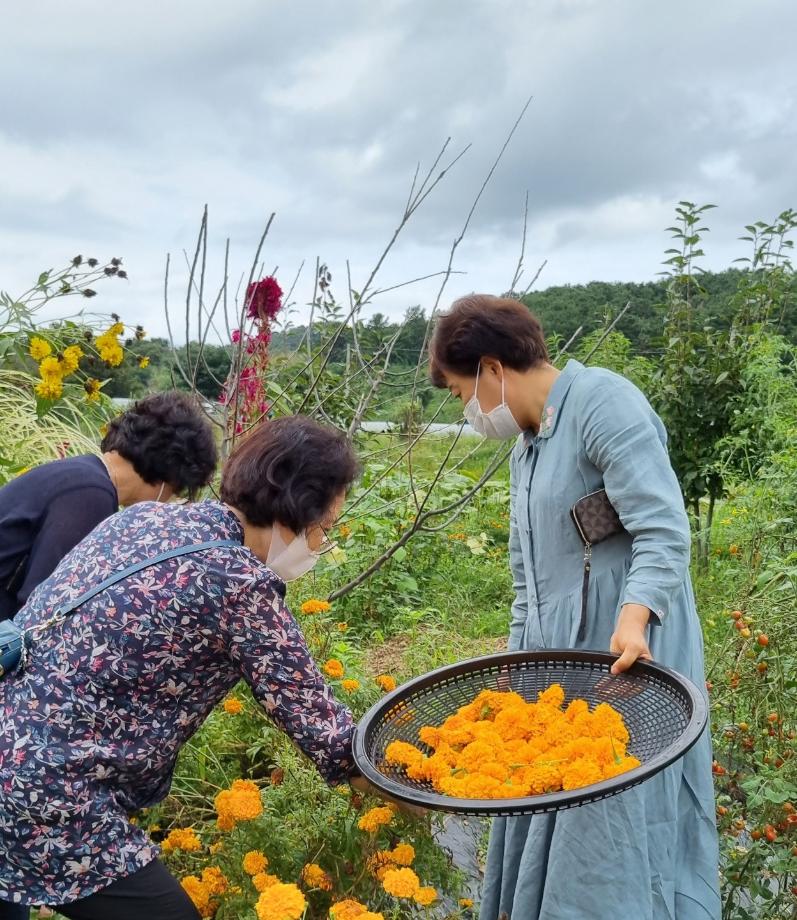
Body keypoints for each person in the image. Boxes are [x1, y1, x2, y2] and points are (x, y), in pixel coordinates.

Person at [0, 415, 372, 920]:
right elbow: (326, 731)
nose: (320, 546)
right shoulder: (239, 583)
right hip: (47, 792)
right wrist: (416, 784)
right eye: (323, 529)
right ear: (295, 509)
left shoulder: (141, 520)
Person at [429, 295, 721, 920]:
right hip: (559, 668)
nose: (469, 412)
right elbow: (524, 574)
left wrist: (637, 613)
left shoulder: (603, 405)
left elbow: (663, 527)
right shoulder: (527, 450)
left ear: (491, 369)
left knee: (611, 822)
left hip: (627, 657)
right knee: (555, 805)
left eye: (461, 395)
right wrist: (515, 665)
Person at [0, 391, 218, 621]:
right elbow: (41, 606)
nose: (167, 502)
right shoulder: (91, 496)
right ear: (171, 475)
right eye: (175, 491)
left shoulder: (79, 474)